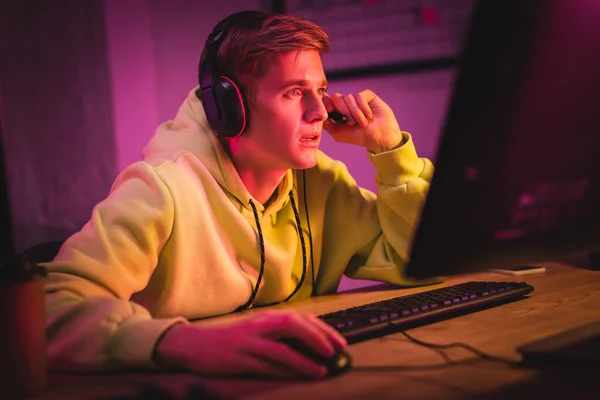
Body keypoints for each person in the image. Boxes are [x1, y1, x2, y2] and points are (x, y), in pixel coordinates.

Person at [41, 10, 440, 380]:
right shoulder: (161, 190)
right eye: (293, 91)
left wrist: (391, 153)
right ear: (229, 107)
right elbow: (47, 309)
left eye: (321, 89)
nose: (319, 110)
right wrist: (179, 342)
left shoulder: (323, 184)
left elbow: (423, 258)